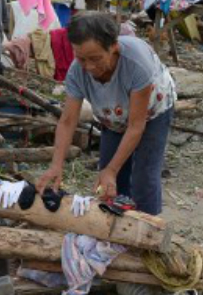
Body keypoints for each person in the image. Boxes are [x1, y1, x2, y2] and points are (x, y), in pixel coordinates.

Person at [36, 12, 176, 215]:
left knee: (144, 177)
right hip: (112, 118)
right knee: (110, 180)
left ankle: (147, 232)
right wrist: (56, 165)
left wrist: (111, 169)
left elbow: (136, 126)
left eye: (96, 58)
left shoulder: (136, 65)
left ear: (113, 47)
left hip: (152, 113)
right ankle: (114, 228)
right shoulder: (77, 72)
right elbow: (67, 122)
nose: (89, 67)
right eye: (81, 59)